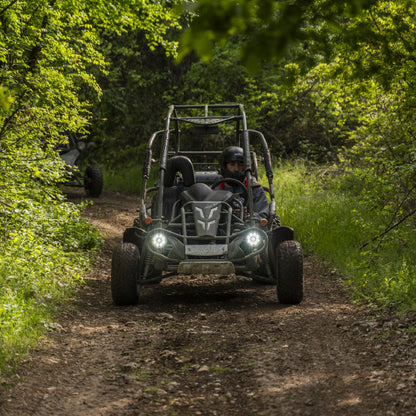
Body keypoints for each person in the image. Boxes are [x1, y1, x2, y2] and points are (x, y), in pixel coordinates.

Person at [217, 146, 269, 219]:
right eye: (232, 164)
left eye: (240, 165)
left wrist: (247, 216)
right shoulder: (215, 189)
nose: (236, 169)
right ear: (224, 166)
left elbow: (263, 215)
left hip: (247, 228)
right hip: (220, 228)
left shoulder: (254, 188)